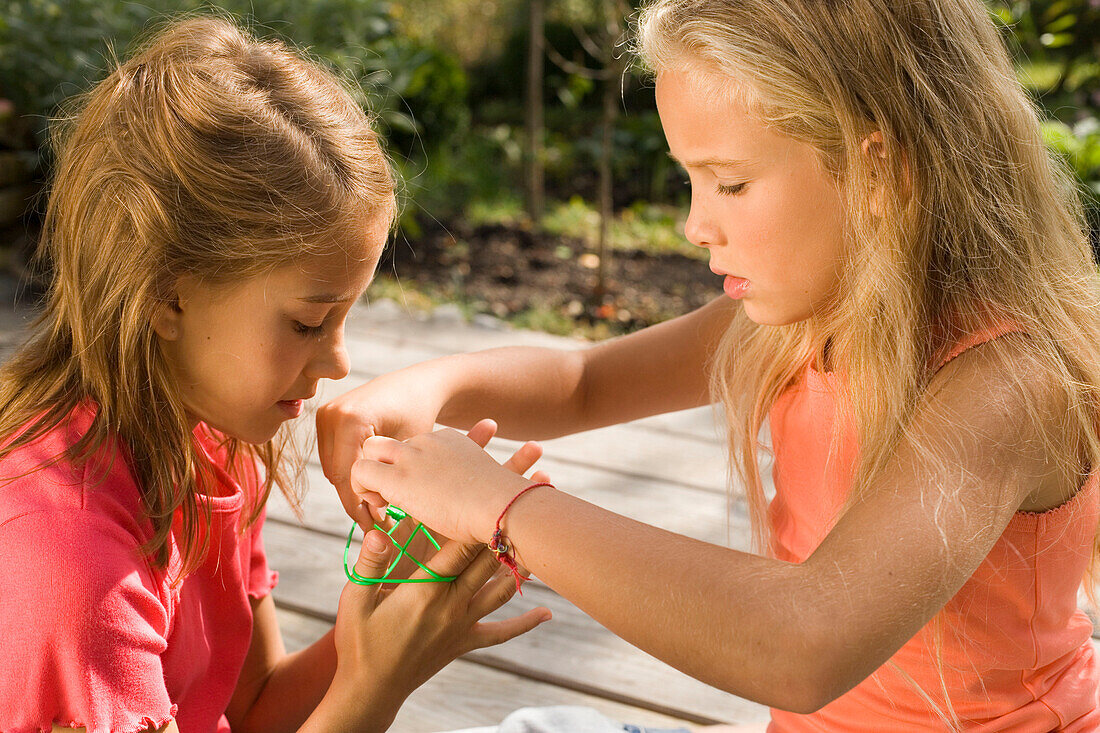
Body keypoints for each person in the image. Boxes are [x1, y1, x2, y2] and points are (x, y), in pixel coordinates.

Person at [319, 0, 1100, 729]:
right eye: (690, 179)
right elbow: (586, 383)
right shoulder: (801, 321)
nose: (695, 223)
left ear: (879, 172)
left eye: (730, 182)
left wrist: (502, 506)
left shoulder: (1007, 381)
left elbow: (805, 642)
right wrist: (432, 386)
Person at [0, 16, 550, 733]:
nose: (340, 362)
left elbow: (255, 709)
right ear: (169, 293)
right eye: (307, 322)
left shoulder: (216, 447)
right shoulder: (72, 573)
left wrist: (388, 614)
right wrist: (377, 684)